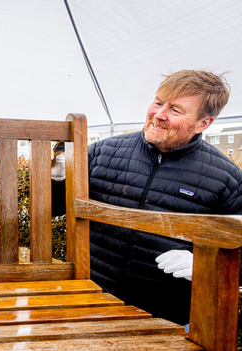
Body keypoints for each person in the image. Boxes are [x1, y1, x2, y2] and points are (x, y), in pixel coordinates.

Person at [51, 70, 242, 325]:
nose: (158, 114)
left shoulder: (227, 179)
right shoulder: (102, 152)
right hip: (89, 301)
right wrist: (56, 181)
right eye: (158, 102)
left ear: (203, 123)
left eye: (175, 109)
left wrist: (209, 266)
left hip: (166, 318)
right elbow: (54, 209)